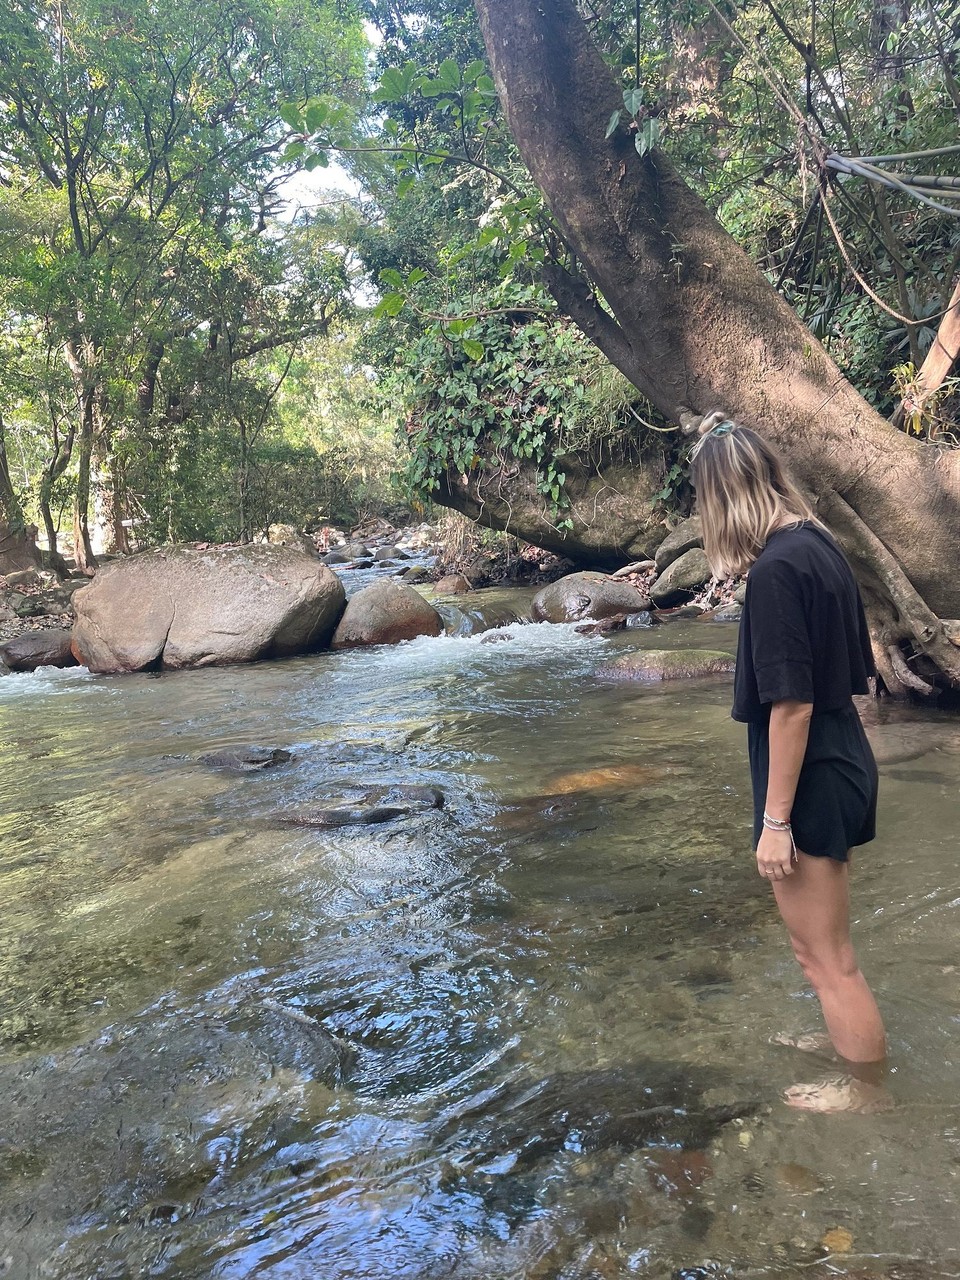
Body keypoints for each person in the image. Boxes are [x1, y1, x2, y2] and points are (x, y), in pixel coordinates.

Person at [689, 411, 889, 1114]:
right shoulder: (818, 545)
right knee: (826, 949)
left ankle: (866, 1094)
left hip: (808, 775)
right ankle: (841, 1037)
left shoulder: (774, 573)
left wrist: (775, 822)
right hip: (841, 758)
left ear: (720, 499)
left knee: (827, 959)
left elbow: (792, 705)